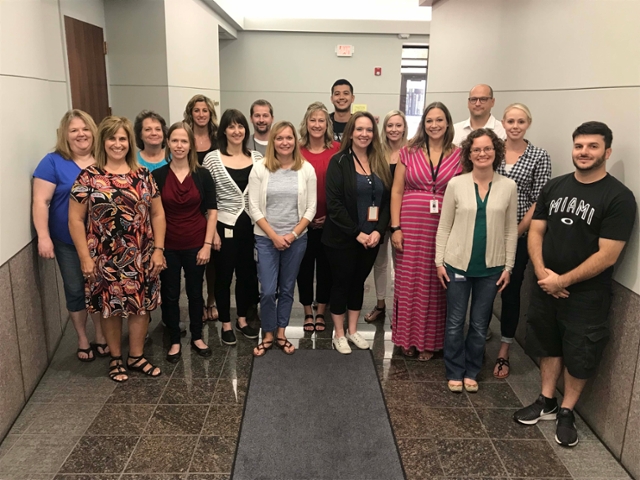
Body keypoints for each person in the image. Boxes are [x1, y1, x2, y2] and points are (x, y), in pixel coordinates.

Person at [513, 121, 636, 447]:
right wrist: (542, 273)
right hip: (546, 284)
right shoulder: (554, 187)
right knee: (547, 343)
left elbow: (608, 255)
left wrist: (562, 281)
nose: (584, 152)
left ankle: (567, 410)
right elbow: (536, 231)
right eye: (579, 146)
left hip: (586, 293)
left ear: (607, 152)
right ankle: (547, 399)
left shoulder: (620, 198)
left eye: (592, 146)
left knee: (581, 352)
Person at [69, 116, 166, 383]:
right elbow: (75, 219)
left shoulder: (143, 174)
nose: (117, 143)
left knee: (140, 307)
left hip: (140, 254)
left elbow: (157, 214)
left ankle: (135, 357)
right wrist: (84, 257)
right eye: (112, 138)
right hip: (104, 256)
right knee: (110, 308)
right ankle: (115, 358)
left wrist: (158, 249)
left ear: (130, 142)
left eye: (122, 138)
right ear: (103, 141)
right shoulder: (89, 176)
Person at [435, 128, 517, 393]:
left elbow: (510, 230)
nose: (483, 153)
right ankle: (455, 370)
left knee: (481, 324)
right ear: (469, 154)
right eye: (477, 149)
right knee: (456, 321)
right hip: (457, 264)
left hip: (491, 269)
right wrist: (439, 262)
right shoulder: (456, 184)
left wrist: (508, 266)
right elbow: (444, 226)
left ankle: (472, 370)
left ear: (496, 151)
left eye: (488, 148)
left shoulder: (508, 186)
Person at [33, 110, 109, 362]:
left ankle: (100, 334)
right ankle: (82, 338)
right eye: (74, 130)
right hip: (66, 240)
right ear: (65, 135)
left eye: (85, 129)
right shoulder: (52, 162)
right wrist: (43, 236)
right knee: (76, 289)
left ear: (93, 132)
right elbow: (41, 201)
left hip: (101, 241)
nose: (81, 134)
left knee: (99, 288)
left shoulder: (104, 159)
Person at [390, 103, 462, 361]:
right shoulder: (408, 152)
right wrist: (395, 227)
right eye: (429, 120)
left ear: (448, 123)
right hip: (409, 225)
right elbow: (396, 190)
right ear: (423, 123)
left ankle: (429, 342)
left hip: (442, 228)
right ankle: (407, 339)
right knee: (408, 283)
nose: (434, 125)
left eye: (439, 120)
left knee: (435, 283)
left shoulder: (459, 155)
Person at [322, 111, 392, 354]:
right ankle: (338, 333)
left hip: (370, 240)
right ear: (351, 132)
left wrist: (378, 231)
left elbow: (385, 203)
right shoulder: (338, 161)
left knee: (358, 284)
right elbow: (335, 205)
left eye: (369, 130)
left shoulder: (380, 161)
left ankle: (353, 330)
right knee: (342, 284)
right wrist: (357, 233)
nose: (365, 134)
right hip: (342, 238)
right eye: (360, 129)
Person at [492, 104, 552, 378]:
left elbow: (538, 200)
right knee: (481, 290)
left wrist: (515, 233)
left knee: (511, 292)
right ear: (502, 122)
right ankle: (474, 339)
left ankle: (504, 351)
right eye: (511, 121)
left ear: (528, 123)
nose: (515, 126)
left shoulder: (539, 156)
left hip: (518, 236)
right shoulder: (492, 150)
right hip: (485, 233)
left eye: (521, 121)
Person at [249, 121, 317, 356]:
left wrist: (292, 234)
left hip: (296, 240)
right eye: (279, 138)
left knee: (287, 288)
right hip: (266, 239)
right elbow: (254, 207)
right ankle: (267, 333)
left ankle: (281, 332)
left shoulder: (306, 169)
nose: (285, 142)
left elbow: (311, 208)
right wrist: (274, 236)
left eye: (289, 138)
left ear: (295, 141)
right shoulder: (260, 168)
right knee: (268, 290)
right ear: (273, 142)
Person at [153, 122, 218, 362]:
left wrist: (207, 245)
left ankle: (198, 336)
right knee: (169, 293)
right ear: (168, 143)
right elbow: (153, 214)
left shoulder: (202, 174)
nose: (179, 146)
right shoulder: (157, 176)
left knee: (194, 292)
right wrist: (157, 250)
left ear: (191, 145)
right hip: (168, 245)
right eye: (175, 140)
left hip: (196, 243)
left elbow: (212, 211)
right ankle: (173, 340)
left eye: (184, 141)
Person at [203, 109, 262, 346]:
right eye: (231, 126)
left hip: (251, 225)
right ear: (224, 130)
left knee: (247, 276)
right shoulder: (212, 158)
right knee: (224, 276)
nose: (236, 131)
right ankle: (225, 322)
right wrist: (212, 231)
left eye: (240, 126)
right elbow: (208, 199)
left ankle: (241, 319)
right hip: (223, 226)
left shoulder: (258, 158)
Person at [296, 102, 340, 333]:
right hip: (302, 223)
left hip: (329, 222)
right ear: (306, 123)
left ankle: (321, 311)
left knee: (325, 269)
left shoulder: (338, 150)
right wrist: (305, 217)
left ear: (327, 124)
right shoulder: (296, 151)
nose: (316, 124)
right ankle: (306, 311)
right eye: (312, 120)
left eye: (321, 120)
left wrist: (331, 216)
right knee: (303, 268)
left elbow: (343, 188)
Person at [365, 110, 408, 324]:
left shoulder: (412, 152)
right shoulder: (377, 153)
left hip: (404, 215)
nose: (394, 129)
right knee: (380, 263)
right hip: (380, 216)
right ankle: (380, 305)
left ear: (404, 127)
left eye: (398, 125)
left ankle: (399, 309)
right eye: (390, 125)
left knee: (401, 264)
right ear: (385, 129)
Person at [184, 94, 219, 321]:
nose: (201, 114)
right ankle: (195, 303)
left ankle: (211, 301)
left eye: (205, 110)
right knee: (193, 259)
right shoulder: (183, 136)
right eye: (196, 110)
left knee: (212, 260)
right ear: (191, 113)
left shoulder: (218, 138)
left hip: (214, 202)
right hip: (190, 203)